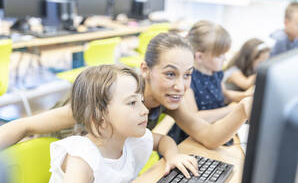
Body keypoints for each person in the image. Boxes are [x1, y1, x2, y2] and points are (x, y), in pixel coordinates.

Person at [0, 33, 251, 150]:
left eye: (187, 75)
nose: (180, 86)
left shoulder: (170, 99)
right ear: (145, 70)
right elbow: (26, 126)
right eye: (170, 74)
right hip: (59, 148)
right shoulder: (110, 94)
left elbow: (208, 136)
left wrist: (242, 110)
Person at [33, 65, 198, 183]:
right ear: (99, 115)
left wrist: (172, 156)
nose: (145, 110)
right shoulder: (82, 154)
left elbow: (163, 140)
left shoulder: (130, 139)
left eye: (141, 101)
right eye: (132, 102)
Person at [168, 20, 248, 144]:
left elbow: (223, 95)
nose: (224, 58)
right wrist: (232, 110)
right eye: (220, 55)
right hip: (192, 137)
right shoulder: (187, 79)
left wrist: (245, 97)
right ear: (200, 57)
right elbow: (194, 118)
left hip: (216, 126)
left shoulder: (215, 71)